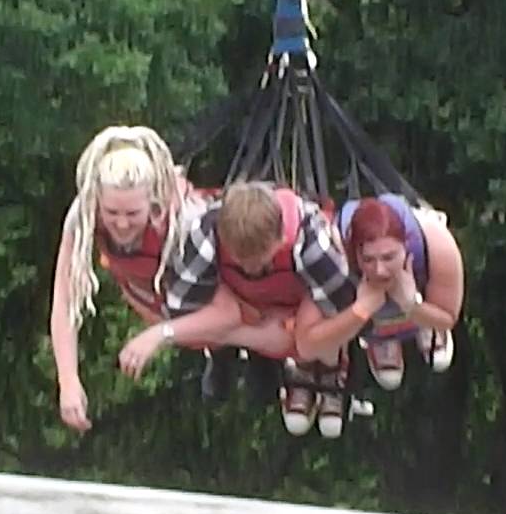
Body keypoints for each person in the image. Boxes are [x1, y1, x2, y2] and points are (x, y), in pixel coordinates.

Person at [49, 127, 285, 434]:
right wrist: (68, 380)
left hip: (211, 296)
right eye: (111, 212)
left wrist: (160, 335)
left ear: (153, 202)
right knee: (181, 320)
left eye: (133, 213)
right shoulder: (83, 215)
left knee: (279, 338)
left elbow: (228, 312)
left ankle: (254, 357)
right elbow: (65, 300)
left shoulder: (185, 222)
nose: (121, 224)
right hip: (147, 293)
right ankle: (218, 351)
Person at [127, 180, 357, 438]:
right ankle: (258, 356)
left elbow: (343, 304)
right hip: (247, 312)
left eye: (261, 261)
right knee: (199, 323)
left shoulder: (311, 245)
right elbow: (182, 307)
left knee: (315, 333)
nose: (251, 270)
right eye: (241, 262)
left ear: (281, 238)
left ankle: (327, 369)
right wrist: (165, 332)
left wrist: (296, 328)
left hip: (304, 306)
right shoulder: (205, 233)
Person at [294, 194, 463, 391]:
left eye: (389, 257)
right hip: (352, 282)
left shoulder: (436, 243)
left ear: (406, 245)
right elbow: (306, 346)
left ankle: (419, 324)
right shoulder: (335, 255)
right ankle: (379, 336)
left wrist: (412, 306)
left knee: (432, 309)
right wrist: (359, 311)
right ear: (354, 253)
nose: (379, 270)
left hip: (419, 287)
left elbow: (448, 318)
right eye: (368, 259)